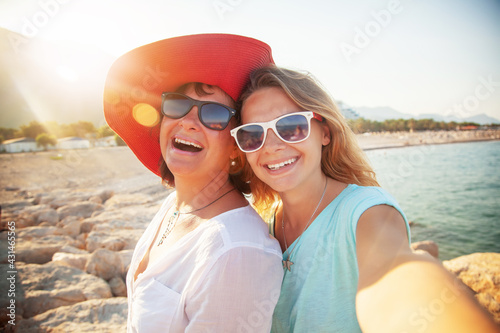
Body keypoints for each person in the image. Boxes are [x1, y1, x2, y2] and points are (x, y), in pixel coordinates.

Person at [231, 65, 500, 332]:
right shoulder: (260, 225)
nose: (272, 146)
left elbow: (394, 275)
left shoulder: (366, 213)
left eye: (290, 126)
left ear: (325, 132)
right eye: (252, 134)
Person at [103, 34, 284, 332]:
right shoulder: (173, 206)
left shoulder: (238, 252)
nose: (187, 121)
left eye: (213, 114)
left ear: (237, 144)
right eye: (177, 104)